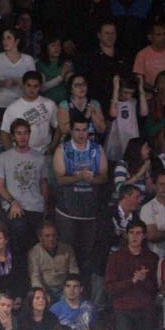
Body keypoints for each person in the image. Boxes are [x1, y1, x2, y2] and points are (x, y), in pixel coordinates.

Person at [53, 116, 109, 274]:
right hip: (67, 212)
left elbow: (104, 176)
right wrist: (79, 177)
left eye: (84, 130)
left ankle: (84, 284)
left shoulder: (97, 149)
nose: (81, 134)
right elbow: (60, 179)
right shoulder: (62, 149)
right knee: (66, 253)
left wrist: (92, 179)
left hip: (90, 211)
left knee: (87, 254)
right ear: (71, 130)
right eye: (77, 130)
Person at [0, 118, 49, 252]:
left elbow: (43, 183)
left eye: (25, 133)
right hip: (14, 207)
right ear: (13, 136)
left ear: (30, 134)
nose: (22, 137)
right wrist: (12, 202)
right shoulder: (3, 158)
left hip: (36, 207)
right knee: (19, 232)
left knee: (37, 245)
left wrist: (45, 206)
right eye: (19, 133)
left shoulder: (39, 157)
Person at [105, 220, 159, 330]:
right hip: (123, 307)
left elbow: (155, 289)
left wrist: (144, 280)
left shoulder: (152, 258)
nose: (135, 236)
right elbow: (110, 287)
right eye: (131, 233)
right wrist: (132, 281)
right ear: (127, 235)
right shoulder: (115, 258)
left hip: (145, 307)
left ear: (144, 236)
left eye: (138, 233)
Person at [27, 225, 78, 315]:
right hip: (45, 290)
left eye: (53, 235)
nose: (51, 239)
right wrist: (43, 294)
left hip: (63, 289)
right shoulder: (34, 252)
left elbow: (74, 271)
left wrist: (71, 289)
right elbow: (35, 277)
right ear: (40, 237)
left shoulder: (67, 249)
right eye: (47, 236)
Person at [0, 28, 37, 119]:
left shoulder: (28, 59)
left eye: (9, 38)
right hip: (2, 104)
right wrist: (2, 83)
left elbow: (35, 82)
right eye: (3, 38)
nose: (5, 41)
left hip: (23, 103)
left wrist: (22, 81)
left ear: (17, 41)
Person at [106, 74, 148, 163]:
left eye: (131, 93)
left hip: (131, 141)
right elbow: (113, 114)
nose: (128, 96)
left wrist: (141, 88)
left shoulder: (133, 102)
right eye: (125, 92)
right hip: (116, 142)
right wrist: (115, 89)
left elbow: (144, 113)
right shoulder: (112, 101)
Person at [141, 172, 165, 258]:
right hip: (155, 256)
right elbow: (152, 235)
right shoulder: (147, 207)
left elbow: (157, 234)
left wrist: (161, 232)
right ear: (155, 186)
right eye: (161, 184)